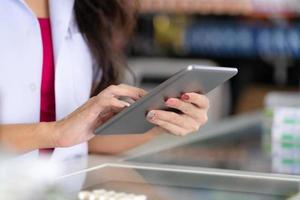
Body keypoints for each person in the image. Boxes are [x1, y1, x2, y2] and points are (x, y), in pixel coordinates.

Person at [0, 0, 209, 161]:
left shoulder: (86, 8)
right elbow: (65, 134)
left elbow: (87, 139)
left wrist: (161, 122)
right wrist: (54, 133)